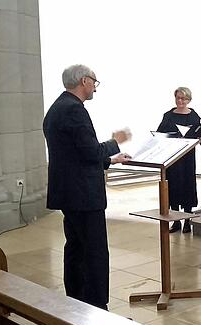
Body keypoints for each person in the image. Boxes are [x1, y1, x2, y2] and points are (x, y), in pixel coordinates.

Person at [43, 64, 132, 310]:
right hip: (83, 194)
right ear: (84, 81)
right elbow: (90, 150)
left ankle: (76, 300)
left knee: (76, 247)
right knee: (93, 252)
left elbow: (74, 153)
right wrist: (115, 143)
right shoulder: (74, 110)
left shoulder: (57, 107)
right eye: (94, 81)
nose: (95, 86)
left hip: (69, 192)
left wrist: (110, 160)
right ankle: (96, 306)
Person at [156, 87, 200, 233]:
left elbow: (198, 134)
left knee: (187, 185)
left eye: (184, 98)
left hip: (187, 156)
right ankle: (175, 221)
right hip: (172, 156)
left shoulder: (194, 116)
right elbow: (160, 133)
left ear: (189, 100)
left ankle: (187, 220)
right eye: (178, 98)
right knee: (173, 186)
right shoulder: (168, 115)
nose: (180, 101)